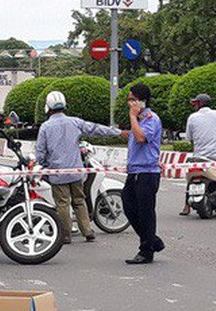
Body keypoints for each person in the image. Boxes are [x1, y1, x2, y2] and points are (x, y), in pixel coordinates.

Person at [36, 91, 125, 244]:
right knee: (79, 200)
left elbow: (40, 152)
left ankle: (65, 235)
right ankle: (88, 231)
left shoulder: (45, 127)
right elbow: (96, 129)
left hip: (58, 174)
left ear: (48, 107)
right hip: (76, 172)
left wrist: (44, 164)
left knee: (62, 203)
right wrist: (119, 132)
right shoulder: (75, 122)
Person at [121, 83, 165, 265]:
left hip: (147, 172)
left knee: (146, 212)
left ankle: (146, 251)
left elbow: (141, 138)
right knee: (128, 206)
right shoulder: (137, 120)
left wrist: (132, 117)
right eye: (129, 99)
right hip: (134, 172)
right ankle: (153, 240)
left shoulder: (151, 119)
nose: (130, 103)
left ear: (142, 101)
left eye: (133, 99)